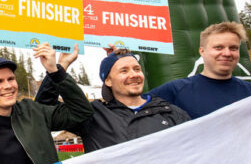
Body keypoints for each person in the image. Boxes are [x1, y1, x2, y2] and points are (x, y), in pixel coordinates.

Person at [149, 21, 251, 156]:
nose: (227, 53)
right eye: (218, 47)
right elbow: (131, 113)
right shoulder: (174, 91)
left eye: (233, 48)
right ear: (202, 51)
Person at [36, 49, 190, 152]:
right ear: (108, 80)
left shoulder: (170, 112)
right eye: (124, 70)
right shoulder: (93, 116)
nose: (134, 74)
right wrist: (59, 68)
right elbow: (43, 110)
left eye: (137, 69)